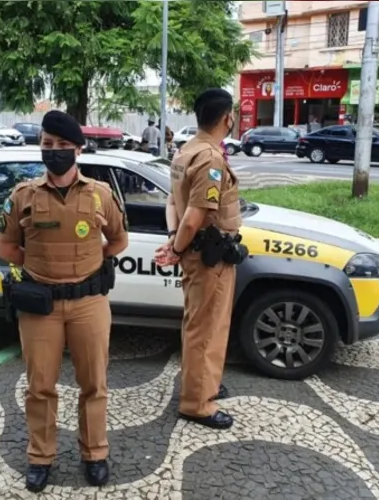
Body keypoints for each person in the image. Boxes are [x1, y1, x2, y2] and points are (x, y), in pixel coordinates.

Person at [0, 110, 129, 493]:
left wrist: (90, 260)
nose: (54, 152)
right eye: (47, 145)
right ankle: (40, 458)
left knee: (94, 384)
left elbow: (119, 240)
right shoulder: (22, 196)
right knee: (40, 387)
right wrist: (41, 267)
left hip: (89, 303)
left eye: (62, 146)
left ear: (78, 150)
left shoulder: (100, 194)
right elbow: (7, 246)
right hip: (42, 308)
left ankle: (95, 453)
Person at [155, 88, 242, 430]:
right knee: (204, 330)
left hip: (201, 253)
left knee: (208, 327)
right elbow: (193, 216)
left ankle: (206, 384)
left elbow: (171, 204)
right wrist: (177, 247)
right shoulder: (209, 159)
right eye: (232, 114)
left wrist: (174, 242)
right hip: (209, 258)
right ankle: (196, 403)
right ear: (226, 118)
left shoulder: (184, 153)